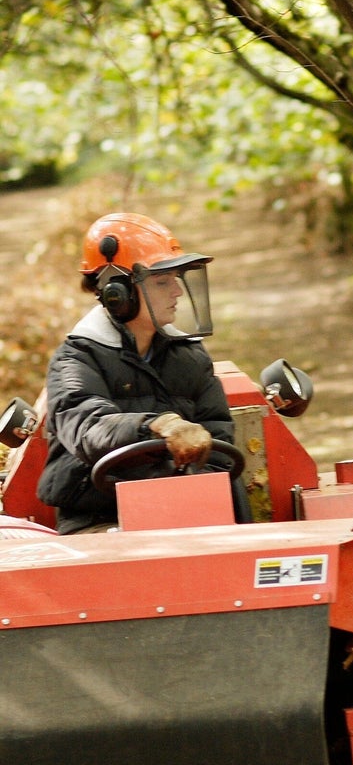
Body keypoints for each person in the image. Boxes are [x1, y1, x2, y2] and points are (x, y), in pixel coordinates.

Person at [36, 212, 240, 534]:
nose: (177, 292)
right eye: (162, 282)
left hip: (188, 517)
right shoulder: (74, 360)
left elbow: (219, 440)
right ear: (117, 293)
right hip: (100, 522)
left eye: (176, 280)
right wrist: (158, 426)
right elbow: (89, 428)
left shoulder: (190, 357)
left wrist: (184, 495)